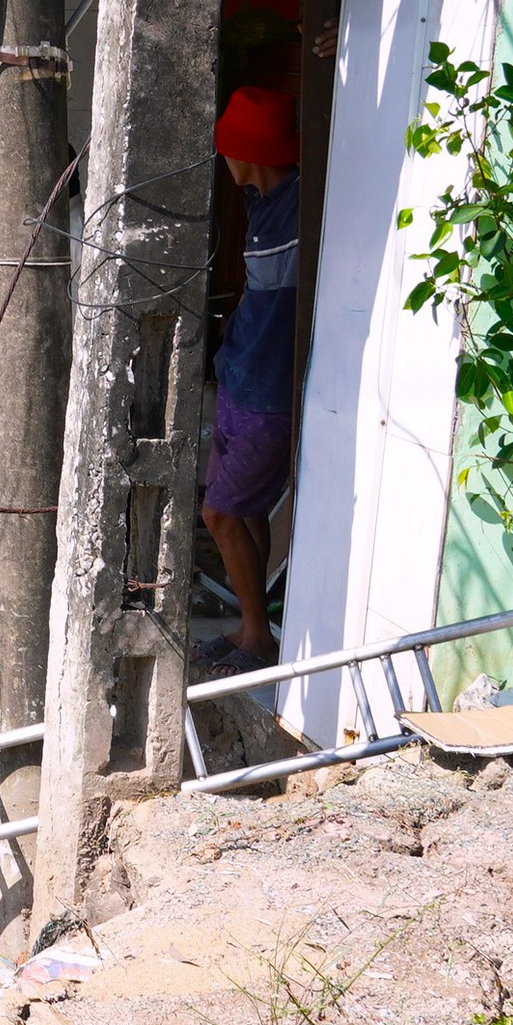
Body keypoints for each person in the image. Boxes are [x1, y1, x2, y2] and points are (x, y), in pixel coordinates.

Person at [198, 86, 301, 672]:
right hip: (241, 380)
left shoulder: (303, 203)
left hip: (269, 393)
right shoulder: (263, 203)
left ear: (249, 153)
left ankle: (256, 636)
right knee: (245, 512)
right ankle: (252, 624)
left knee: (220, 513)